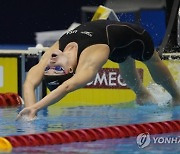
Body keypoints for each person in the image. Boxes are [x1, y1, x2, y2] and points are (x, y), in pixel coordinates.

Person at [17, 19, 180, 120]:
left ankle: (175, 95)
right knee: (137, 60)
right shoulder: (89, 62)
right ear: (71, 70)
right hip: (134, 40)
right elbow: (66, 87)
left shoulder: (56, 52)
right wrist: (35, 110)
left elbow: (29, 83)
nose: (51, 62)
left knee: (136, 60)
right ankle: (165, 96)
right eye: (57, 68)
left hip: (127, 37)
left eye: (48, 68)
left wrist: (31, 110)